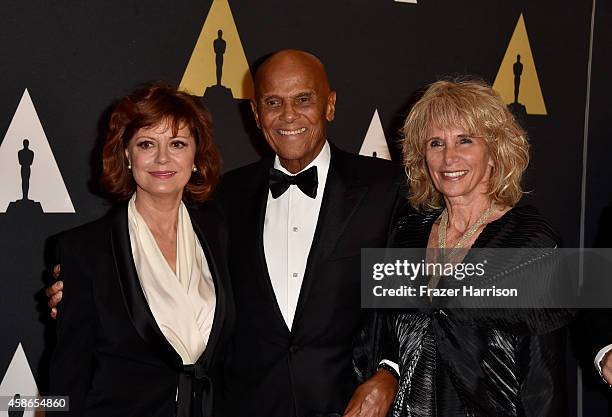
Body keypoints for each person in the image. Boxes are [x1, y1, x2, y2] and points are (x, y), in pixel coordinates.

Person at [47, 50, 402, 417]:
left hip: (346, 406)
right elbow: (67, 377)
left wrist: (390, 372)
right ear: (256, 113)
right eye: (273, 102)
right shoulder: (225, 202)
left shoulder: (385, 189)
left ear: (329, 105)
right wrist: (74, 292)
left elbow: (433, 296)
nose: (288, 115)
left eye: (303, 100)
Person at [365, 79, 571, 416]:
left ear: (494, 151)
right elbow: (380, 339)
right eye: (436, 143)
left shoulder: (530, 242)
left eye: (465, 140)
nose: (449, 157)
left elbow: (542, 380)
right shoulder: (407, 234)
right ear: (422, 156)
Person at [47, 82, 234, 417]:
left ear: (196, 157)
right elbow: (68, 378)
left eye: (177, 144)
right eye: (146, 144)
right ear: (126, 155)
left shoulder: (221, 233)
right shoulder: (84, 250)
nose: (163, 158)